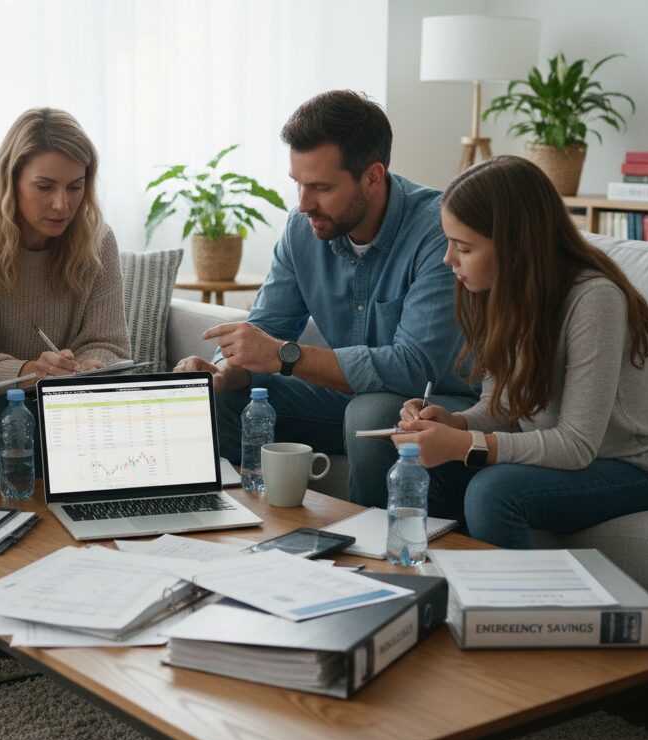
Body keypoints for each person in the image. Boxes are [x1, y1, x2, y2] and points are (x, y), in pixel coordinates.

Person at [175, 90, 475, 507]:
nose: (303, 204)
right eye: (298, 183)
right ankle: (240, 530)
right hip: (346, 401)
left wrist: (286, 356)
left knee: (370, 414)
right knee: (224, 399)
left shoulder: (438, 231)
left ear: (372, 176)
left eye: (320, 187)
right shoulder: (304, 228)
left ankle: (373, 556)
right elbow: (267, 329)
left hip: (433, 403)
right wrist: (226, 369)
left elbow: (413, 365)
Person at [390, 155, 648, 549]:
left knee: (492, 492)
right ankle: (439, 592)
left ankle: (507, 607)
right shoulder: (497, 292)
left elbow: (577, 445)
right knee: (428, 469)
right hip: (571, 454)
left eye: (463, 247)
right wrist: (454, 424)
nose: (448, 259)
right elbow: (509, 409)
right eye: (449, 242)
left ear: (515, 247)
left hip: (636, 469)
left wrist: (465, 445)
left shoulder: (595, 299)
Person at [0, 107, 129, 483]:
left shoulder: (98, 241)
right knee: (18, 421)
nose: (62, 205)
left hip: (57, 398)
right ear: (11, 179)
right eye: (45, 187)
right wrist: (29, 372)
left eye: (75, 187)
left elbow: (108, 342)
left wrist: (90, 366)